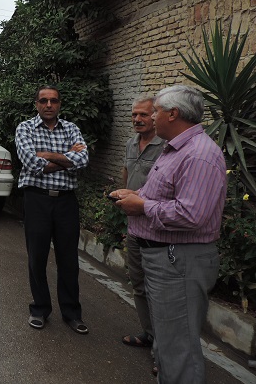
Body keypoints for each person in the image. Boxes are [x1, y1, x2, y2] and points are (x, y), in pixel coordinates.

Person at [112, 85, 226, 383]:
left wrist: (142, 206)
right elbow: (164, 193)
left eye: (155, 112)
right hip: (165, 258)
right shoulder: (175, 148)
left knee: (178, 350)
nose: (151, 117)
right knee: (168, 344)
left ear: (173, 114)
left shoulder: (198, 155)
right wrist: (136, 194)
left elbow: (192, 215)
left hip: (179, 261)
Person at [14, 85, 89, 334]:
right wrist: (67, 157)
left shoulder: (72, 128)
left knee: (69, 259)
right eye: (44, 100)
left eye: (54, 101)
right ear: (36, 104)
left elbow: (83, 160)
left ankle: (72, 313)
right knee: (37, 257)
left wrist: (47, 154)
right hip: (37, 199)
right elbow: (32, 164)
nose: (49, 105)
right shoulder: (25, 128)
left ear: (59, 104)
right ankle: (40, 309)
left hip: (66, 201)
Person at [119, 97, 166, 373]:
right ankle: (149, 334)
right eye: (134, 115)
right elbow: (127, 174)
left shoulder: (166, 147)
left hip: (157, 228)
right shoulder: (130, 143)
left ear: (155, 116)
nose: (137, 119)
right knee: (138, 284)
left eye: (144, 115)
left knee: (159, 292)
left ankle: (164, 352)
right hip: (134, 226)